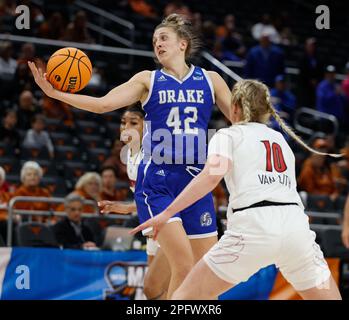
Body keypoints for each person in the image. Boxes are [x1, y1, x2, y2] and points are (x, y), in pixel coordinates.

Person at [29, 13, 232, 299]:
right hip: (159, 183)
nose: (157, 44)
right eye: (154, 41)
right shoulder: (148, 80)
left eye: (163, 38)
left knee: (205, 274)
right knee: (184, 266)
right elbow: (102, 105)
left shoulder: (210, 80)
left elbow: (240, 118)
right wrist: (55, 93)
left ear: (182, 44)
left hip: (196, 184)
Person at [131, 79, 342, 300]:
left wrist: (166, 213)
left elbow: (210, 178)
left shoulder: (228, 135)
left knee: (183, 299)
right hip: (295, 227)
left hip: (253, 226)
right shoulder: (280, 139)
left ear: (235, 107)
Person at [99, 104, 171, 299]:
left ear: (146, 126)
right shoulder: (130, 154)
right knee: (155, 291)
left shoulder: (155, 154)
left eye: (133, 122)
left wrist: (126, 208)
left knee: (164, 288)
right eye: (123, 122)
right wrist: (124, 207)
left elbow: (169, 196)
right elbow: (146, 199)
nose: (126, 127)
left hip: (169, 225)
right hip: (151, 226)